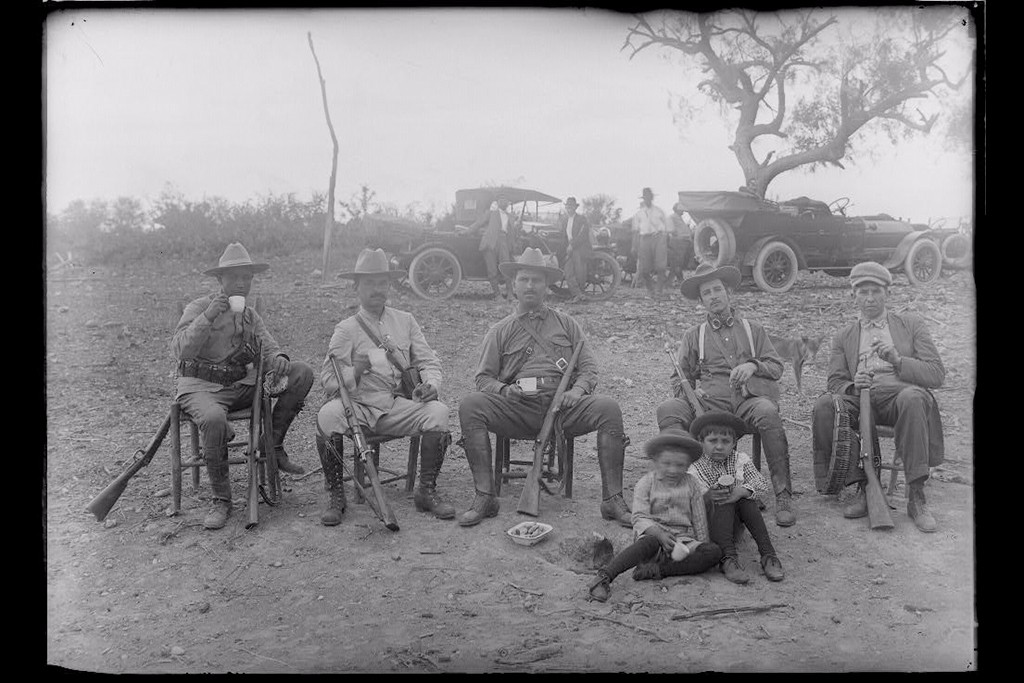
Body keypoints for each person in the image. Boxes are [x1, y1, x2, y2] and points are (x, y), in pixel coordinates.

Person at [457, 247, 633, 527]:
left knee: (608, 408)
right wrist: (505, 391)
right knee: (470, 405)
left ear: (547, 286)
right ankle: (484, 495)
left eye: (537, 280)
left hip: (564, 410)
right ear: (513, 285)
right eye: (524, 279)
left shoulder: (568, 324)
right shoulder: (500, 331)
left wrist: (575, 393)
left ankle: (612, 499)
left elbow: (589, 369)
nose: (530, 285)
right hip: (517, 409)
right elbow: (484, 379)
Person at [172, 242, 314, 530]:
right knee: (213, 419)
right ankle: (221, 500)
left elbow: (269, 347)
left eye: (246, 277)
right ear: (219, 280)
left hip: (238, 387)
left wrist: (280, 359)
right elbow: (181, 351)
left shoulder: (249, 316)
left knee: (302, 373)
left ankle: (271, 443)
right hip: (200, 388)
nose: (241, 283)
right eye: (234, 277)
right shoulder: (200, 307)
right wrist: (209, 316)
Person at [316, 248, 454, 526]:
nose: (377, 289)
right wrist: (355, 369)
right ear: (357, 287)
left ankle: (426, 491)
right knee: (327, 417)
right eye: (369, 283)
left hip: (394, 405)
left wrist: (431, 385)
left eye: (382, 283)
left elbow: (429, 361)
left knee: (438, 413)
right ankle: (336, 496)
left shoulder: (405, 320)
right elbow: (329, 381)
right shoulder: (346, 329)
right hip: (358, 407)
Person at [655, 263, 796, 527]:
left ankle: (783, 495)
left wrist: (753, 365)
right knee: (669, 409)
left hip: (747, 402)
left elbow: (776, 367)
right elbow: (679, 376)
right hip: (709, 404)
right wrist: (689, 391)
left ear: (728, 292)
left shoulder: (753, 329)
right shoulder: (693, 335)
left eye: (717, 289)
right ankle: (683, 490)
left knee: (768, 412)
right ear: (701, 300)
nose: (714, 296)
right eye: (707, 293)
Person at [811, 261, 946, 533]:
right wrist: (852, 386)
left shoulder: (911, 325)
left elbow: (936, 373)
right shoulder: (844, 335)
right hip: (862, 397)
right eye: (863, 292)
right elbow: (835, 382)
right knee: (826, 405)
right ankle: (863, 486)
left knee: (913, 398)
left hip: (900, 395)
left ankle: (916, 495)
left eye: (876, 291)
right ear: (854, 296)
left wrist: (898, 360)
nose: (870, 298)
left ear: (887, 293)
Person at [587, 429, 722, 602]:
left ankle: (659, 570)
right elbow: (639, 516)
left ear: (688, 465)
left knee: (713, 552)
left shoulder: (692, 483)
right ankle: (604, 577)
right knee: (647, 543)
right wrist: (659, 534)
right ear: (655, 462)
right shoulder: (646, 483)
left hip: (682, 540)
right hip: (654, 538)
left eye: (680, 465)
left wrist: (702, 544)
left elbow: (699, 517)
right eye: (666, 464)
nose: (673, 470)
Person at [687, 411, 785, 584]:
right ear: (701, 442)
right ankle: (728, 558)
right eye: (712, 441)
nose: (719, 446)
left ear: (734, 443)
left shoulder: (739, 459)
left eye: (725, 441)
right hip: (712, 523)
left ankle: (768, 554)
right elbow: (690, 504)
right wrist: (708, 496)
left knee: (745, 498)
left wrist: (743, 491)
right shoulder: (695, 468)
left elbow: (761, 483)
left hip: (736, 522)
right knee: (722, 498)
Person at [469, 193, 516, 299]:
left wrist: (512, 247)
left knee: (506, 268)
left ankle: (510, 294)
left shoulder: (511, 217)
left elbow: (512, 233)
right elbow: (478, 223)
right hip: (490, 242)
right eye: (500, 200)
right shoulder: (491, 213)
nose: (503, 202)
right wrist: (467, 231)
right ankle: (497, 295)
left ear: (508, 203)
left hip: (504, 242)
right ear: (498, 203)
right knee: (492, 270)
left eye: (505, 200)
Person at [631, 187, 670, 297]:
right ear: (643, 199)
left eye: (649, 197)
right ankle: (650, 289)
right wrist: (634, 246)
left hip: (658, 237)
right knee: (644, 268)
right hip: (644, 238)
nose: (647, 199)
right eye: (645, 197)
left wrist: (665, 238)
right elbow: (635, 231)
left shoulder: (659, 211)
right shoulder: (639, 214)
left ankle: (659, 290)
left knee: (661, 266)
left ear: (652, 198)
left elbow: (667, 226)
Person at [558, 196, 593, 303]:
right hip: (570, 249)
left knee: (579, 272)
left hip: (580, 248)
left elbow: (583, 235)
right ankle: (577, 294)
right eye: (567, 207)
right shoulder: (565, 220)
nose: (569, 209)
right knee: (568, 272)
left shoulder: (581, 219)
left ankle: (580, 294)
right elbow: (564, 237)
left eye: (571, 207)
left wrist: (572, 245)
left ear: (575, 208)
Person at [667, 202, 694, 288]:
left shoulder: (678, 218)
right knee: (677, 262)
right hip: (679, 242)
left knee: (679, 262)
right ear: (677, 209)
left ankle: (671, 281)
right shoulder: (672, 217)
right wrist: (676, 234)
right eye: (681, 208)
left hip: (684, 242)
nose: (683, 210)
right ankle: (680, 280)